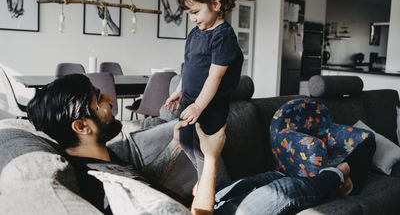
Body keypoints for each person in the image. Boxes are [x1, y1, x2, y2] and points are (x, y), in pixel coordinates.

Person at [27, 74, 354, 215]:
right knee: (280, 194)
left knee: (269, 177)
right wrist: (210, 159)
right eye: (99, 100)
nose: (110, 100)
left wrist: (174, 143)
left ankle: (326, 185)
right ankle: (339, 173)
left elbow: (148, 178)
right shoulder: (107, 187)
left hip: (193, 202)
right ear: (82, 126)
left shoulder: (100, 156)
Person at [164, 0, 244, 186]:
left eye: (196, 11)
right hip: (191, 102)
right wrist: (179, 90)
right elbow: (189, 67)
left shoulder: (223, 36)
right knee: (186, 143)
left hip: (210, 107)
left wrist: (199, 106)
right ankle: (203, 183)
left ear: (216, 4)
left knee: (204, 150)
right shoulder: (195, 33)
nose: (193, 18)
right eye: (189, 13)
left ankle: (210, 189)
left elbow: (215, 76)